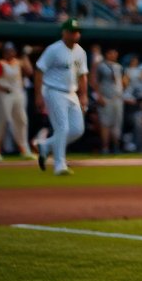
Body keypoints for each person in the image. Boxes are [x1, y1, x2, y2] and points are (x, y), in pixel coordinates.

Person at [33, 19, 89, 176]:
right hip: (54, 90)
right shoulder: (54, 49)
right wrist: (38, 95)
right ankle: (59, 165)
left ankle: (45, 146)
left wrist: (84, 95)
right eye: (72, 31)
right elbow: (39, 70)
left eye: (77, 31)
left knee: (77, 129)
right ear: (64, 32)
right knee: (62, 128)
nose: (75, 34)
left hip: (72, 92)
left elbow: (83, 75)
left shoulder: (80, 52)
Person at [0, 42, 34, 159]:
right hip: (4, 94)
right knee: (3, 120)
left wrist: (24, 54)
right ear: (3, 52)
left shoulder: (18, 62)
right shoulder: (0, 63)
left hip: (18, 94)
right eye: (7, 51)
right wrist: (1, 87)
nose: (9, 53)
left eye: (11, 50)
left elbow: (29, 71)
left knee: (21, 120)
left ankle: (24, 149)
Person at [93, 46, 125, 155]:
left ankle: (116, 147)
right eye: (112, 53)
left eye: (115, 53)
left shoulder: (119, 67)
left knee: (117, 124)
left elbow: (122, 82)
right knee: (105, 124)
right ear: (107, 54)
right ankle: (105, 148)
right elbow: (95, 81)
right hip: (106, 98)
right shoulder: (101, 66)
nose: (114, 55)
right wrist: (99, 96)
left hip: (118, 98)